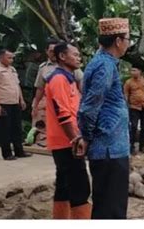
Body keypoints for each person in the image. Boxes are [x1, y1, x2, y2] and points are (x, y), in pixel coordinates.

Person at [77, 18, 131, 219]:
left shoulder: (104, 63)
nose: (128, 43)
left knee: (108, 207)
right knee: (111, 211)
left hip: (112, 148)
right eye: (127, 39)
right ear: (118, 41)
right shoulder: (104, 66)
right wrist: (87, 136)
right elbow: (88, 108)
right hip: (109, 149)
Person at [45, 43, 91, 219]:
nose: (79, 57)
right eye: (75, 54)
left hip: (65, 140)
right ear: (62, 57)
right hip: (66, 142)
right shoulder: (58, 79)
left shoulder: (68, 79)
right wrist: (76, 139)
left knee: (64, 185)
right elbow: (62, 114)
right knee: (79, 186)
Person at [0, 49, 32, 160]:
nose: (11, 60)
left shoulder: (12, 69)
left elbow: (17, 85)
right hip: (3, 103)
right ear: (1, 57)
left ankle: (19, 151)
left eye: (12, 58)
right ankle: (7, 153)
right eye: (9, 58)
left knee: (17, 128)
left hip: (15, 102)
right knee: (5, 129)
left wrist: (21, 100)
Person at [31, 37, 83, 123]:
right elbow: (40, 88)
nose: (54, 53)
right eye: (51, 51)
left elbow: (81, 83)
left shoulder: (71, 67)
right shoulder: (45, 69)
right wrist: (35, 105)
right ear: (46, 51)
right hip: (50, 106)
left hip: (70, 106)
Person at [123, 65, 144, 154]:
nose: (132, 72)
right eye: (131, 70)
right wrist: (126, 104)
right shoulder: (128, 82)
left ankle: (142, 146)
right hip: (134, 107)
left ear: (139, 71)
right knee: (133, 127)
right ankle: (132, 146)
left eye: (134, 70)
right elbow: (126, 94)